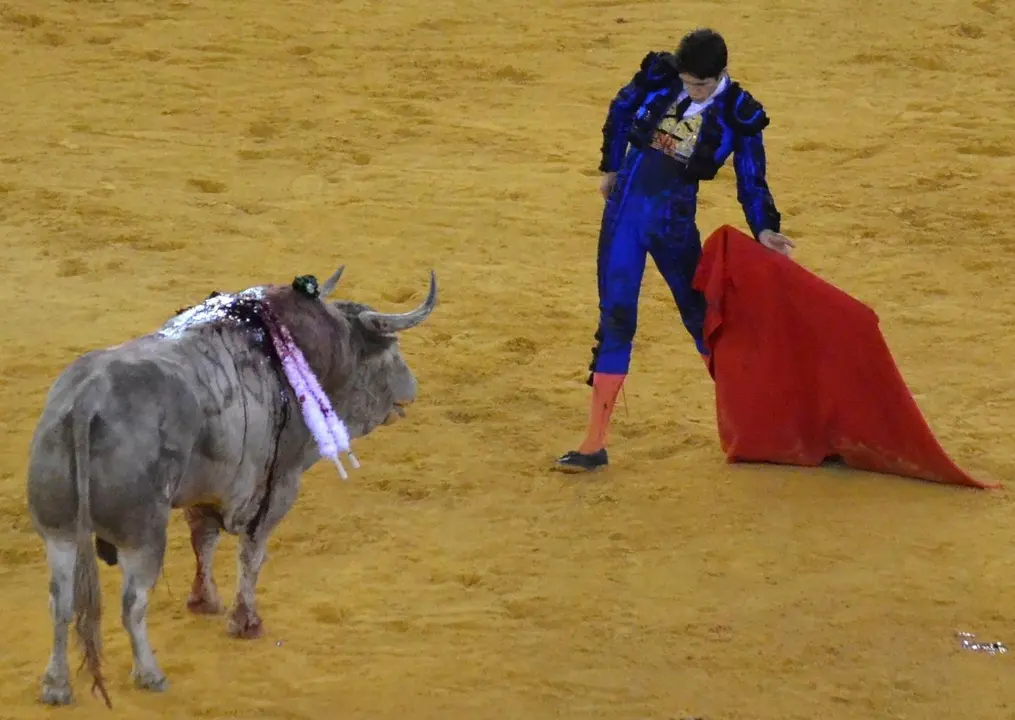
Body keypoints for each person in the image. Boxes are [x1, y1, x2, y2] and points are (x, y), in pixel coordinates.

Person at [555, 28, 796, 473]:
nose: (691, 90)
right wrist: (611, 165)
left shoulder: (738, 112)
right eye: (687, 82)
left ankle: (758, 425)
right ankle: (593, 445)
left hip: (674, 224)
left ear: (720, 74)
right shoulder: (662, 76)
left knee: (700, 318)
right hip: (623, 216)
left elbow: (751, 177)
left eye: (700, 85)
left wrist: (764, 228)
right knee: (615, 319)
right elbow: (622, 106)